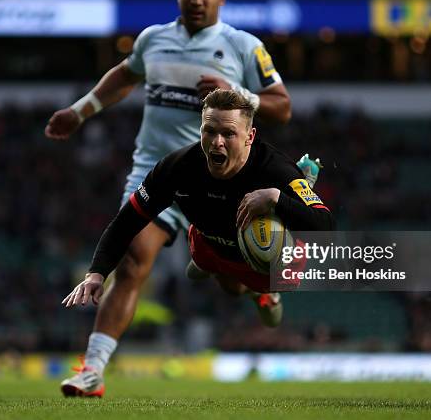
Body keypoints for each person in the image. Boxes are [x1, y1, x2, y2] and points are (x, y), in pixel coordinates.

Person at [46, 0, 315, 397]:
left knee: (231, 282)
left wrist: (241, 94)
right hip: (159, 171)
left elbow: (281, 107)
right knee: (133, 262)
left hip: (221, 177)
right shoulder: (153, 39)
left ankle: (259, 290)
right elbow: (124, 75)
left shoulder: (243, 46)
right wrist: (79, 112)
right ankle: (92, 370)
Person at [61, 90, 332, 397]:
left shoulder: (275, 170)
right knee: (224, 281)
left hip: (267, 259)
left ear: (249, 136)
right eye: (209, 130)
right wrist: (97, 273)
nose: (217, 142)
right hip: (208, 242)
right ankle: (214, 266)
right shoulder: (178, 167)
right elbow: (127, 222)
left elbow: (325, 227)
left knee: (262, 274)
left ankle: (263, 291)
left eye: (228, 133)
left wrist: (277, 198)